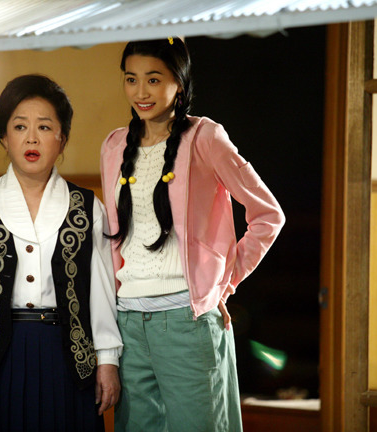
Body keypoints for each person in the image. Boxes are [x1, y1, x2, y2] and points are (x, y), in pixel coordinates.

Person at [99, 38, 286, 432]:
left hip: (187, 321)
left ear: (179, 83)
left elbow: (268, 215)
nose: (140, 91)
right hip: (128, 322)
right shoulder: (114, 145)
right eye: (131, 79)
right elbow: (114, 238)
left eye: (153, 79)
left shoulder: (204, 137)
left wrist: (221, 286)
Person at [0, 74, 122, 431]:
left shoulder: (88, 207)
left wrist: (107, 359)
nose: (32, 138)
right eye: (20, 126)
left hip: (67, 358)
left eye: (44, 127)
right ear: (4, 136)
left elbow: (101, 293)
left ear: (62, 139)